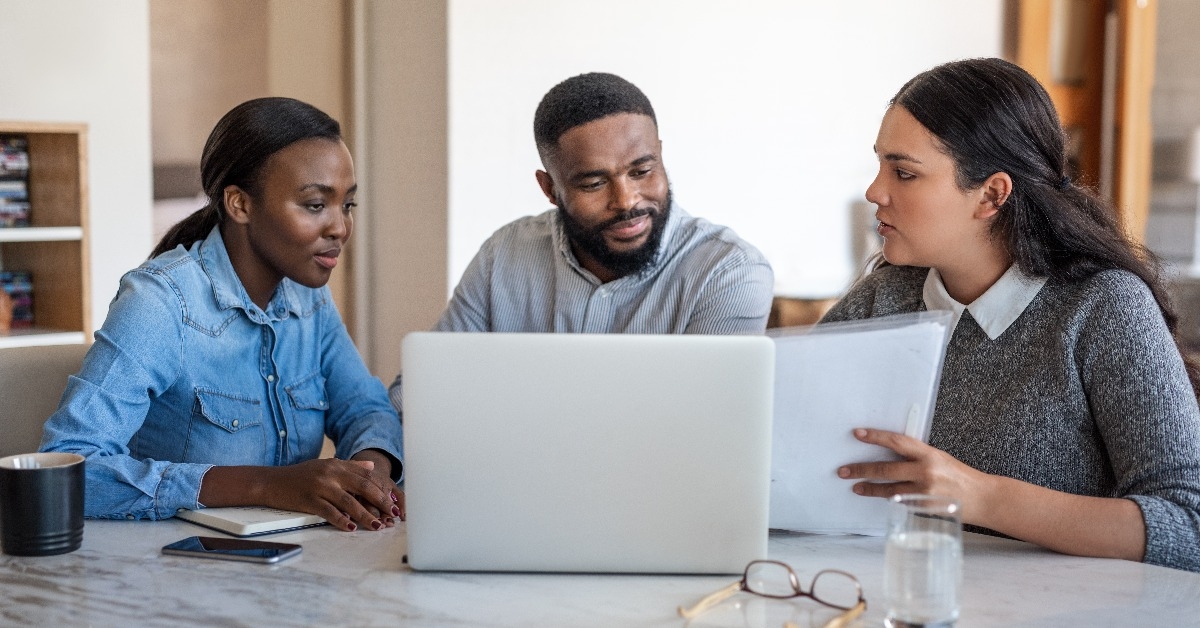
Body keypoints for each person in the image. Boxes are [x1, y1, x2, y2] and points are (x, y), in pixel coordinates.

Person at [823, 58, 1200, 572]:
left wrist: (982, 497)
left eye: (904, 172)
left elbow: (1189, 525)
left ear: (992, 195)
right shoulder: (881, 300)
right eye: (880, 166)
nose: (875, 191)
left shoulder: (1104, 308)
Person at [40, 97, 404, 533]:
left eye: (347, 205)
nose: (340, 228)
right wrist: (266, 486)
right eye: (314, 205)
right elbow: (67, 468)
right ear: (239, 204)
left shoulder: (310, 302)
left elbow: (365, 409)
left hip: (294, 569)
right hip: (170, 574)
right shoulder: (159, 302)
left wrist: (370, 474)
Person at [390, 72, 774, 404]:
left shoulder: (729, 271)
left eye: (641, 171)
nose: (626, 201)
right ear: (550, 189)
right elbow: (421, 395)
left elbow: (708, 427)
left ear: (661, 156)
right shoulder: (503, 257)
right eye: (593, 182)